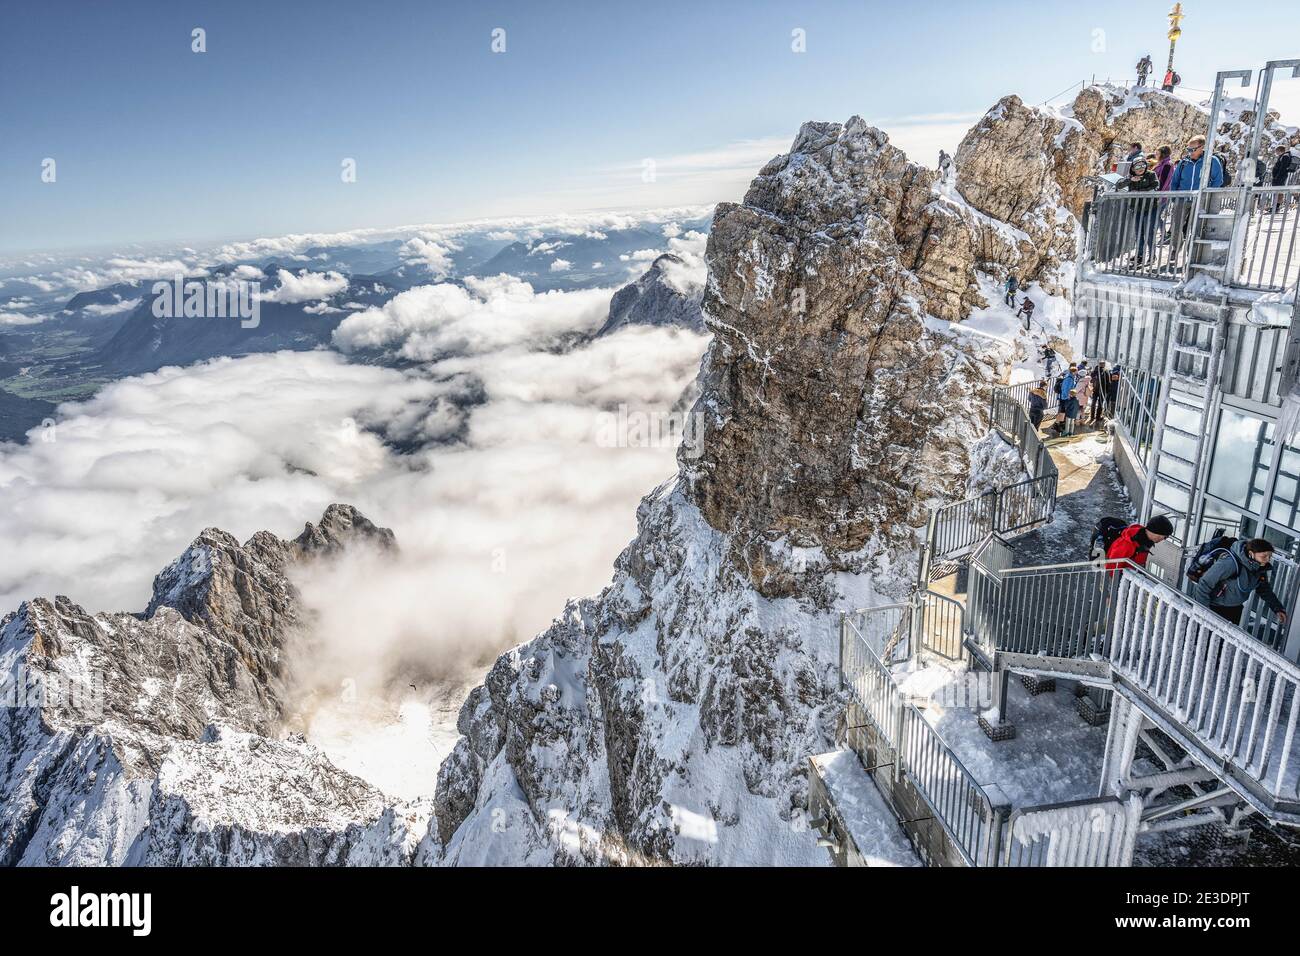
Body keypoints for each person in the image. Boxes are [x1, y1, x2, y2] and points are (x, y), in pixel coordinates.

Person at [1191, 537, 1289, 628]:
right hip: (1215, 608)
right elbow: (1204, 584)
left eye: (1269, 556)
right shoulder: (1230, 563)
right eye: (1264, 556)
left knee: (1225, 643)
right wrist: (1204, 611)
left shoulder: (1259, 569)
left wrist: (1277, 608)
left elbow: (1264, 590)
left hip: (1235, 610)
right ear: (1251, 554)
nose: (1267, 560)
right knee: (1206, 641)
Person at [1169, 137, 1225, 260]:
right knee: (1176, 225)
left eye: (1192, 149)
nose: (1189, 151)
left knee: (1196, 227)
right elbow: (1175, 180)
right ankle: (1175, 248)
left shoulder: (1211, 161)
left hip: (1200, 200)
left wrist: (1207, 195)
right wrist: (1174, 197)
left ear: (1201, 147)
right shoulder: (1184, 162)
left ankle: (1192, 252)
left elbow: (1218, 180)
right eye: (1188, 148)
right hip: (1182, 198)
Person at [1115, 157, 1160, 264]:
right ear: (1133, 168)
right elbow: (1119, 185)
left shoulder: (1151, 174)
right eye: (1137, 166)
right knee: (1139, 232)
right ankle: (1140, 255)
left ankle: (1152, 255)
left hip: (1150, 208)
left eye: (1143, 165)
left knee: (1149, 233)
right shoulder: (1131, 177)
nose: (1140, 168)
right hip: (1137, 208)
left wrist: (1138, 191)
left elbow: (1155, 187)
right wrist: (1130, 180)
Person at [1106, 515, 1174, 573]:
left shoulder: (1145, 540)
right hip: (1120, 581)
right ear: (1156, 532)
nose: (1164, 539)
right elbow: (1110, 569)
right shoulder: (1127, 544)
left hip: (1130, 577)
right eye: (1164, 537)